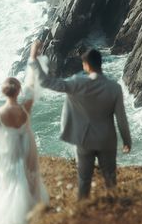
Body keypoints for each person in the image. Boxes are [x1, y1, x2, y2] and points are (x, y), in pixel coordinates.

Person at [29, 40, 132, 199]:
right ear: (100, 64)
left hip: (84, 139)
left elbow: (45, 82)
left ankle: (83, 211)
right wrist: (127, 140)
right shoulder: (115, 88)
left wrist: (33, 57)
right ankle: (114, 210)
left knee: (84, 180)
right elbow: (121, 118)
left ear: (86, 65)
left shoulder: (76, 83)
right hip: (106, 140)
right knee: (110, 178)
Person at [0, 75, 49, 224]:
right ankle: (29, 212)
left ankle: (8, 218)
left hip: (10, 151)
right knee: (26, 178)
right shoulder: (24, 108)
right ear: (18, 91)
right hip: (25, 149)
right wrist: (33, 58)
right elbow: (31, 88)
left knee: (8, 181)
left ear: (4, 93)